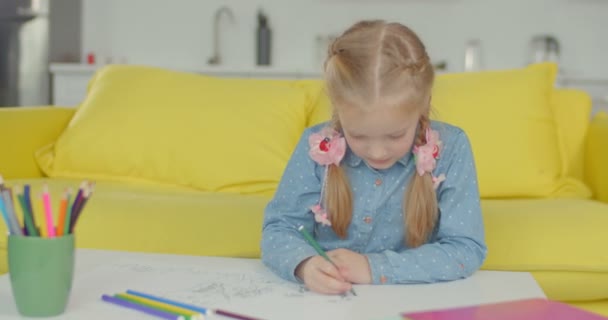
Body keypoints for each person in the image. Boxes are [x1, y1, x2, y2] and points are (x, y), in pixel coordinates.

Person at [260, 20, 487, 295]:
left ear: (424, 104)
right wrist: (305, 265)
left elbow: (466, 249)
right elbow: (279, 229)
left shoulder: (452, 148)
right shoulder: (316, 147)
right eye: (358, 136)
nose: (377, 152)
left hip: (410, 299)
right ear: (337, 108)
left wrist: (374, 268)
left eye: (394, 136)